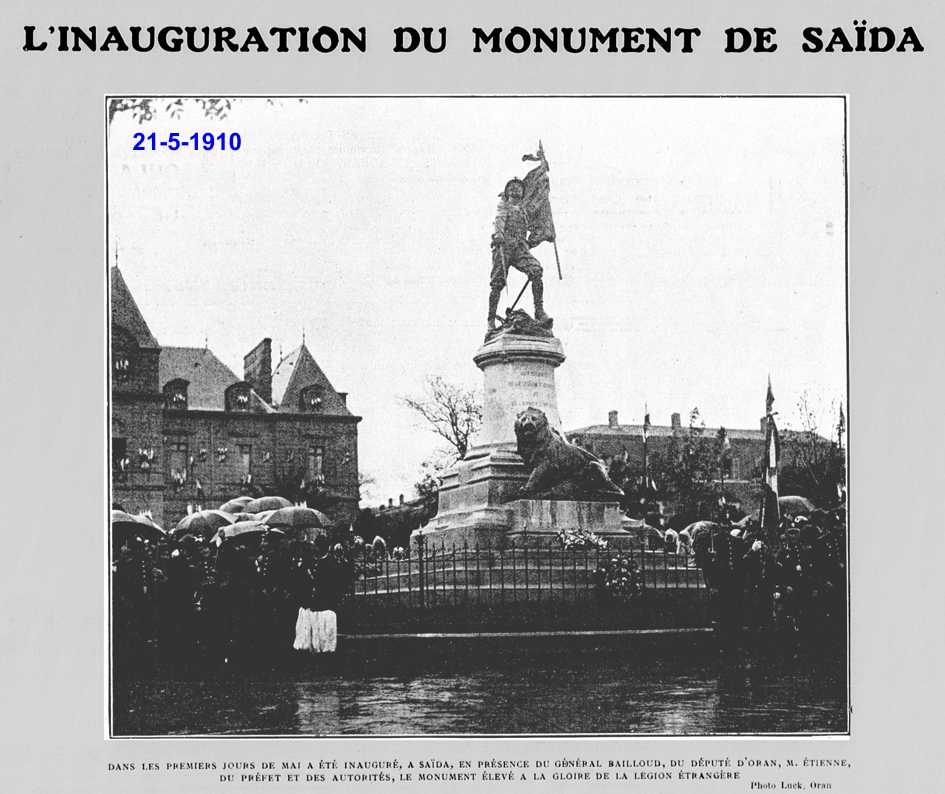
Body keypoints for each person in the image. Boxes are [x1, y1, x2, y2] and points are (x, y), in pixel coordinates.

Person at [487, 155, 552, 332]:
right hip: (504, 247)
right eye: (512, 188)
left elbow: (538, 216)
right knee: (497, 283)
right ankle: (491, 320)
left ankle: (539, 311)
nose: (516, 190)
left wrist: (545, 232)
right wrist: (498, 236)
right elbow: (499, 221)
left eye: (518, 188)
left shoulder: (525, 209)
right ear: (507, 192)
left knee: (536, 271)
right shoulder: (504, 206)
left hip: (520, 248)